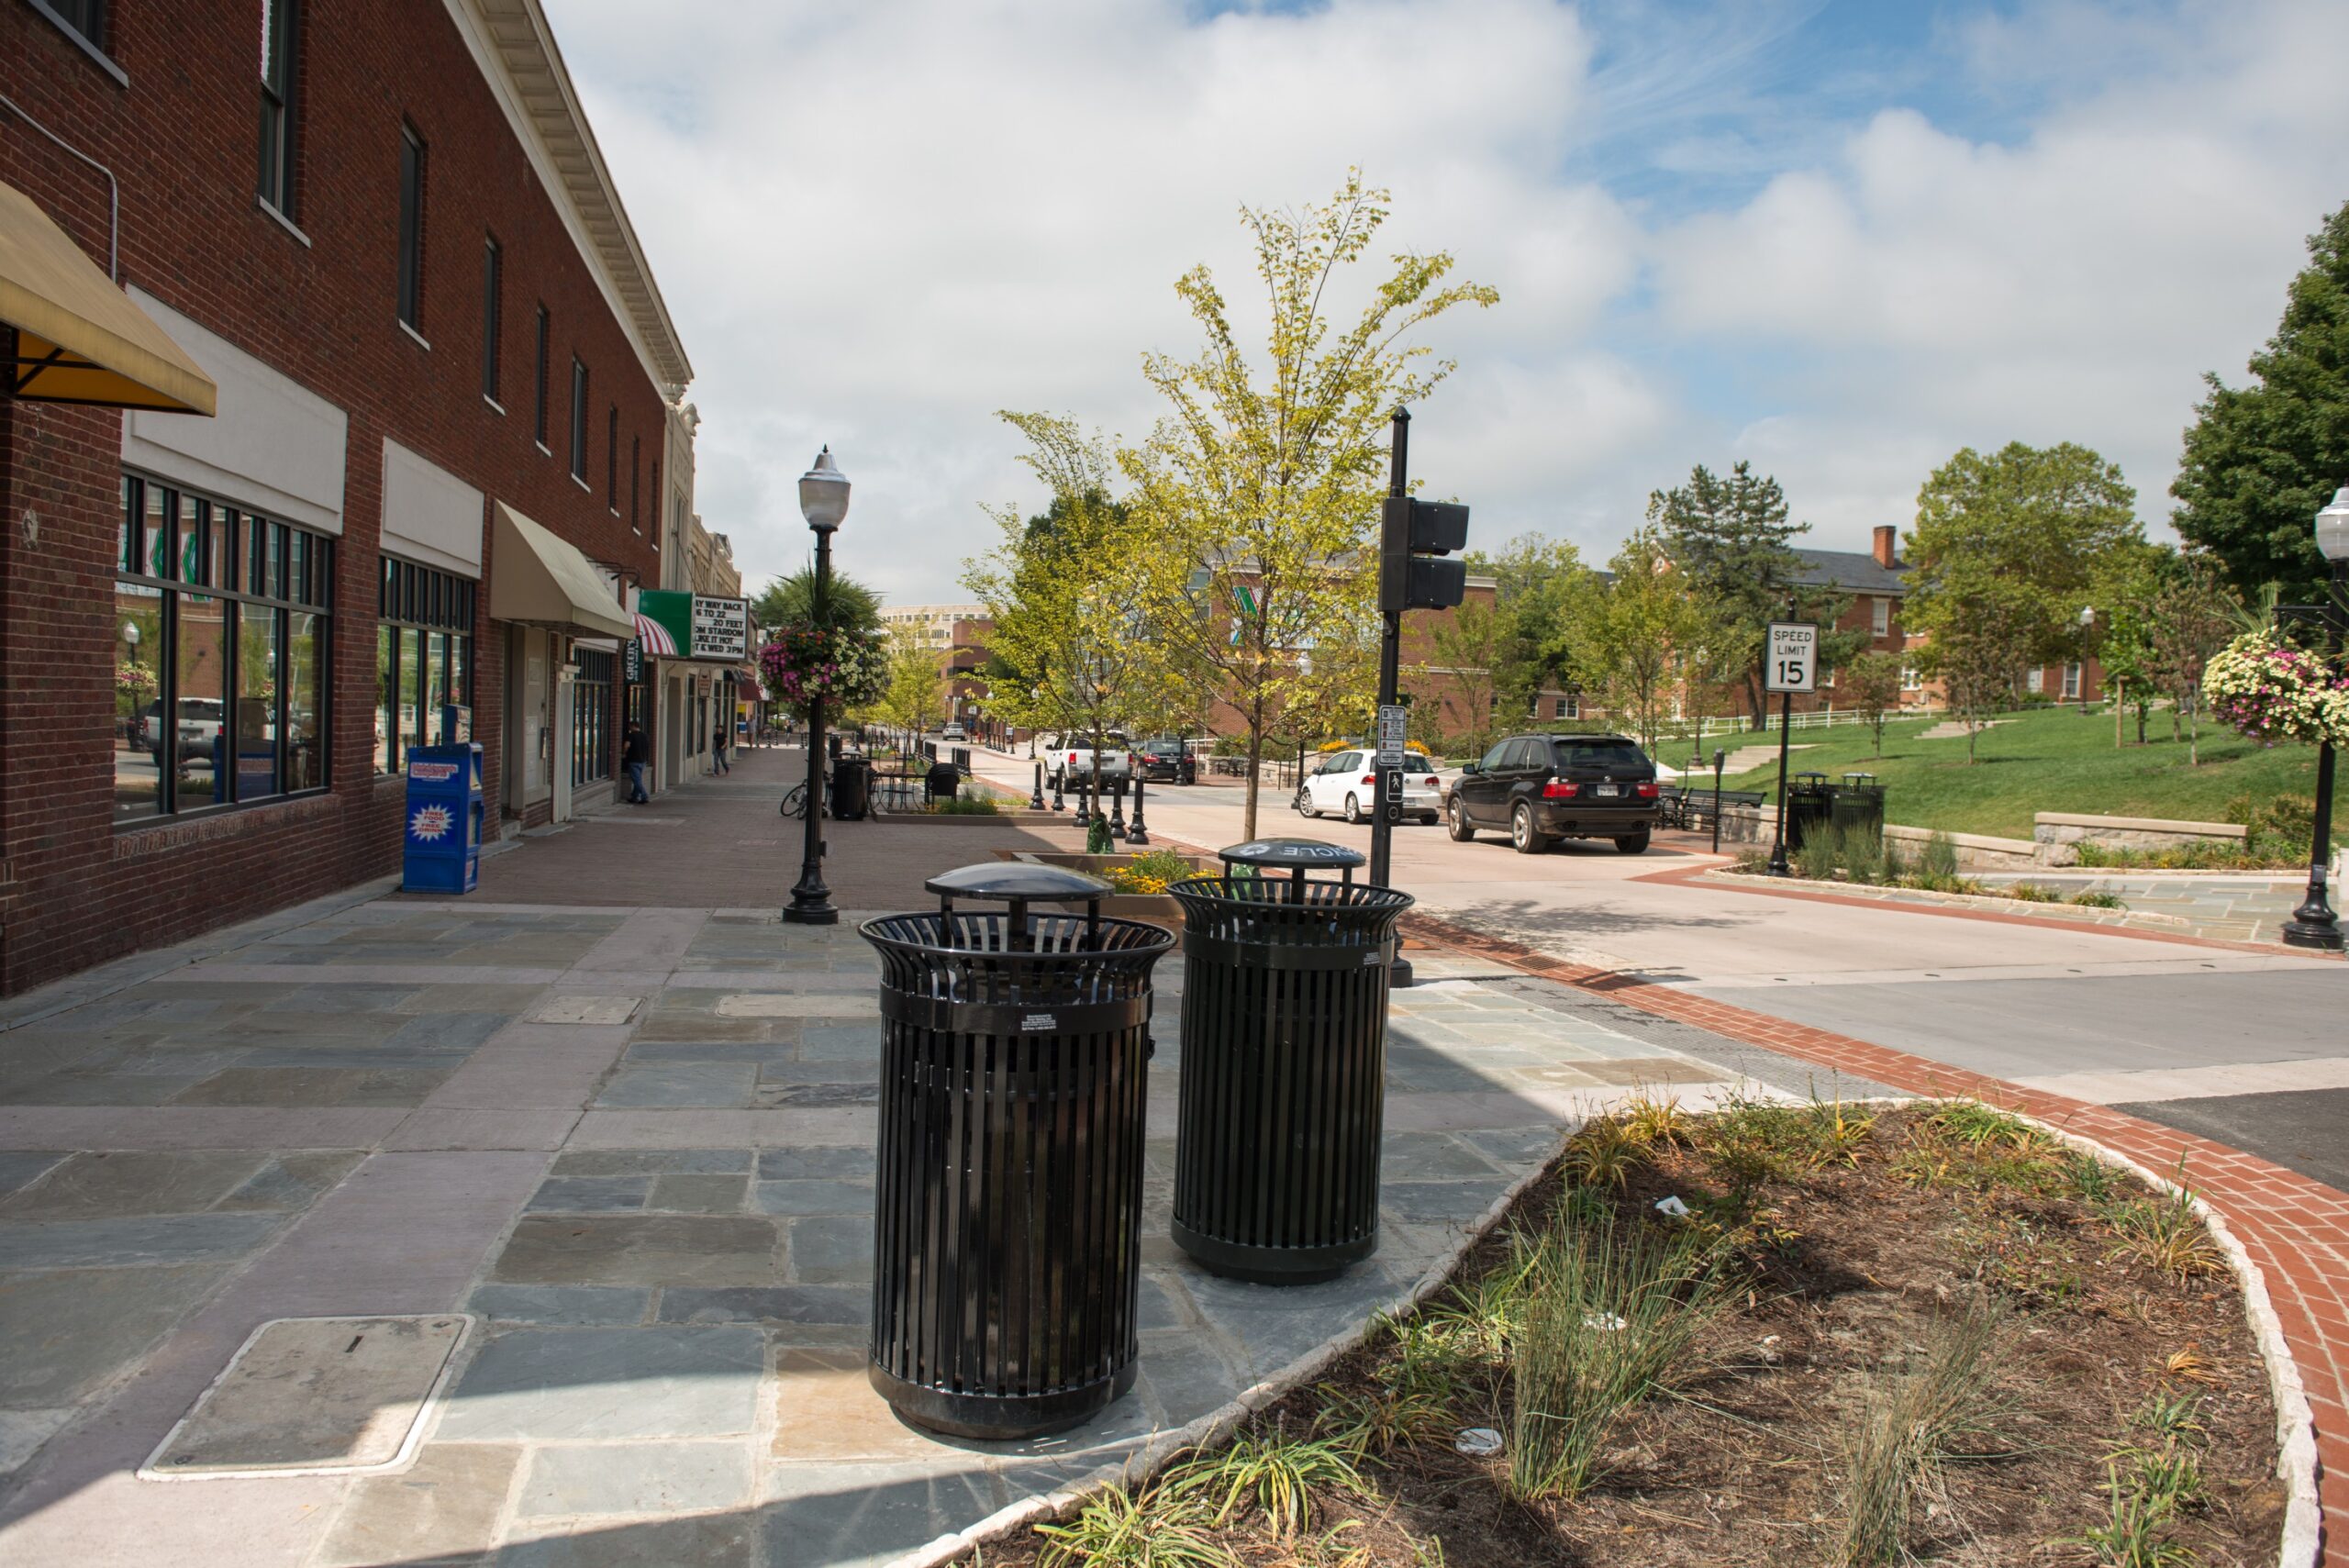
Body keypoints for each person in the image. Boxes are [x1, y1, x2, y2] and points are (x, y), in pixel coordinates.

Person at [623, 721, 651, 804]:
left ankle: (644, 796)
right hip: (642, 761)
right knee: (637, 779)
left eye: (630, 727)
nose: (629, 728)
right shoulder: (645, 736)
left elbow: (626, 745)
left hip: (633, 761)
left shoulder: (631, 735)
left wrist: (624, 753)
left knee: (637, 780)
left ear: (633, 726)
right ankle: (634, 797)